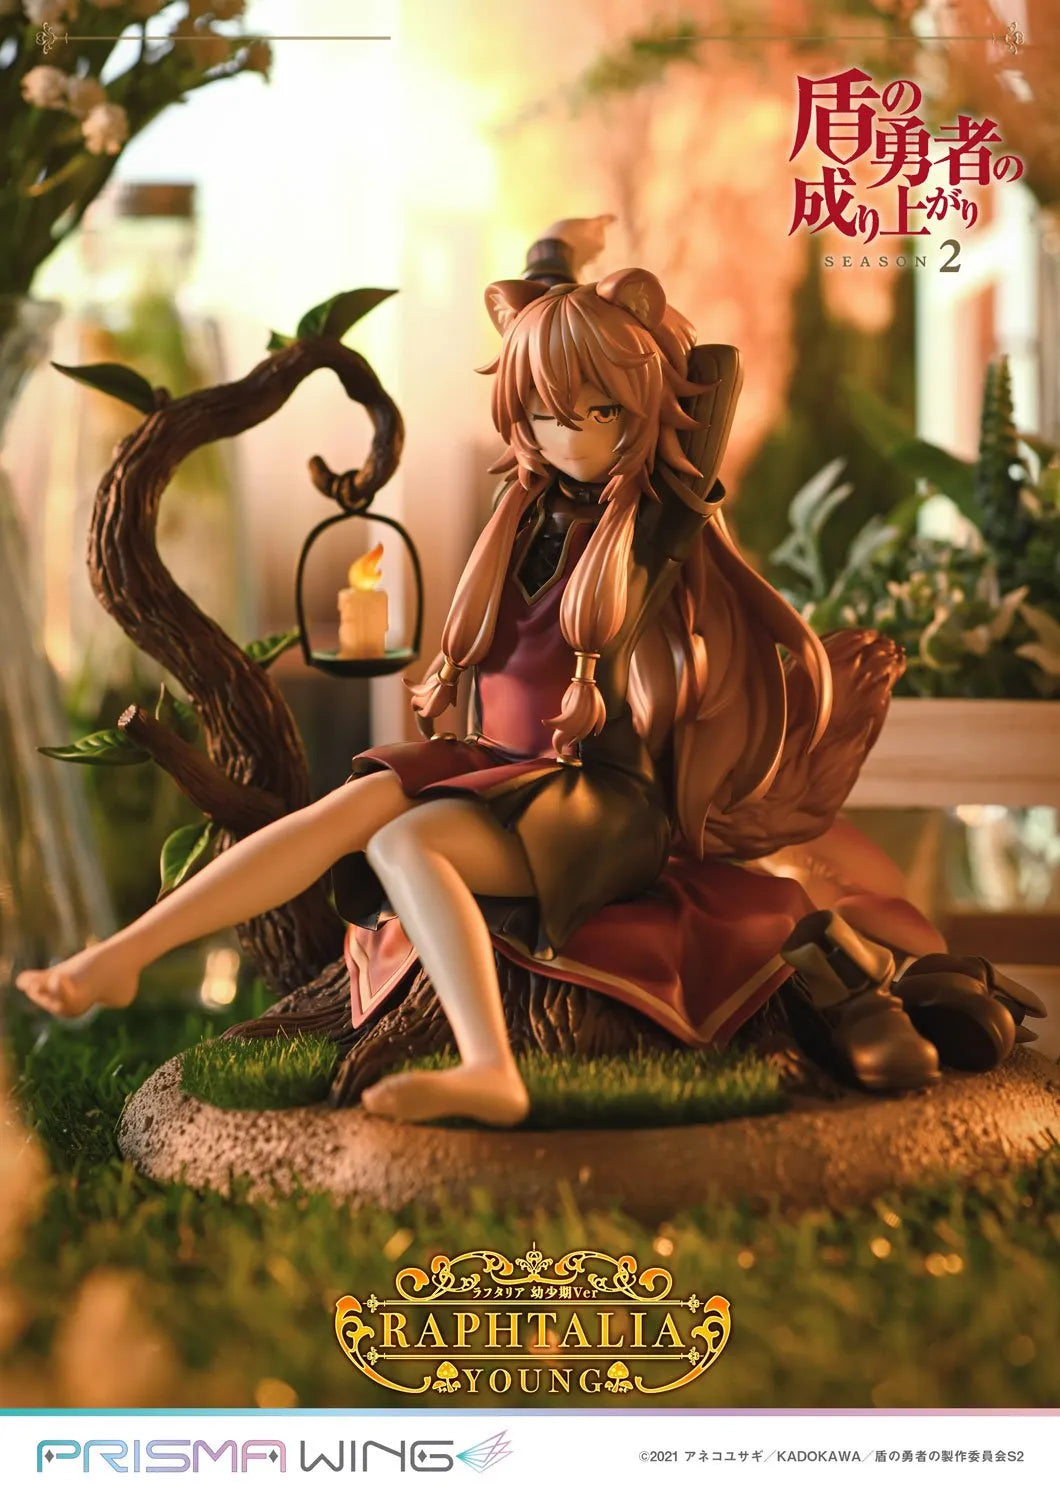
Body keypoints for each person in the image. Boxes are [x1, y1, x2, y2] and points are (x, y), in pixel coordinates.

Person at [16, 218, 1043, 1123]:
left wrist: (629, 313)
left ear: (644, 410)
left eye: (600, 414)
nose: (570, 436)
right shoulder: (525, 514)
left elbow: (710, 379)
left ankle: (488, 1069)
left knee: (407, 843)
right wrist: (556, 258)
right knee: (343, 810)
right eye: (549, 415)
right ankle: (122, 958)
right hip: (495, 765)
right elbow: (538, 333)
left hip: (601, 799)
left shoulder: (652, 530)